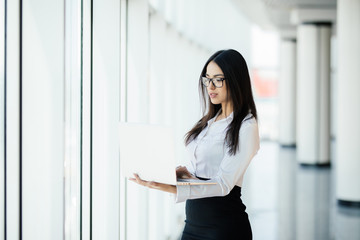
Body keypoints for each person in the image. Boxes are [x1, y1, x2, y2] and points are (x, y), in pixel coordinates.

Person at [130, 49, 260, 240]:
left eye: (218, 79)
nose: (210, 86)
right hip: (193, 223)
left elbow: (223, 184)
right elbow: (201, 168)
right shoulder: (209, 122)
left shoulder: (247, 126)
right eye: (207, 79)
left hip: (224, 227)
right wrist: (178, 174)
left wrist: (168, 187)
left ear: (235, 79)